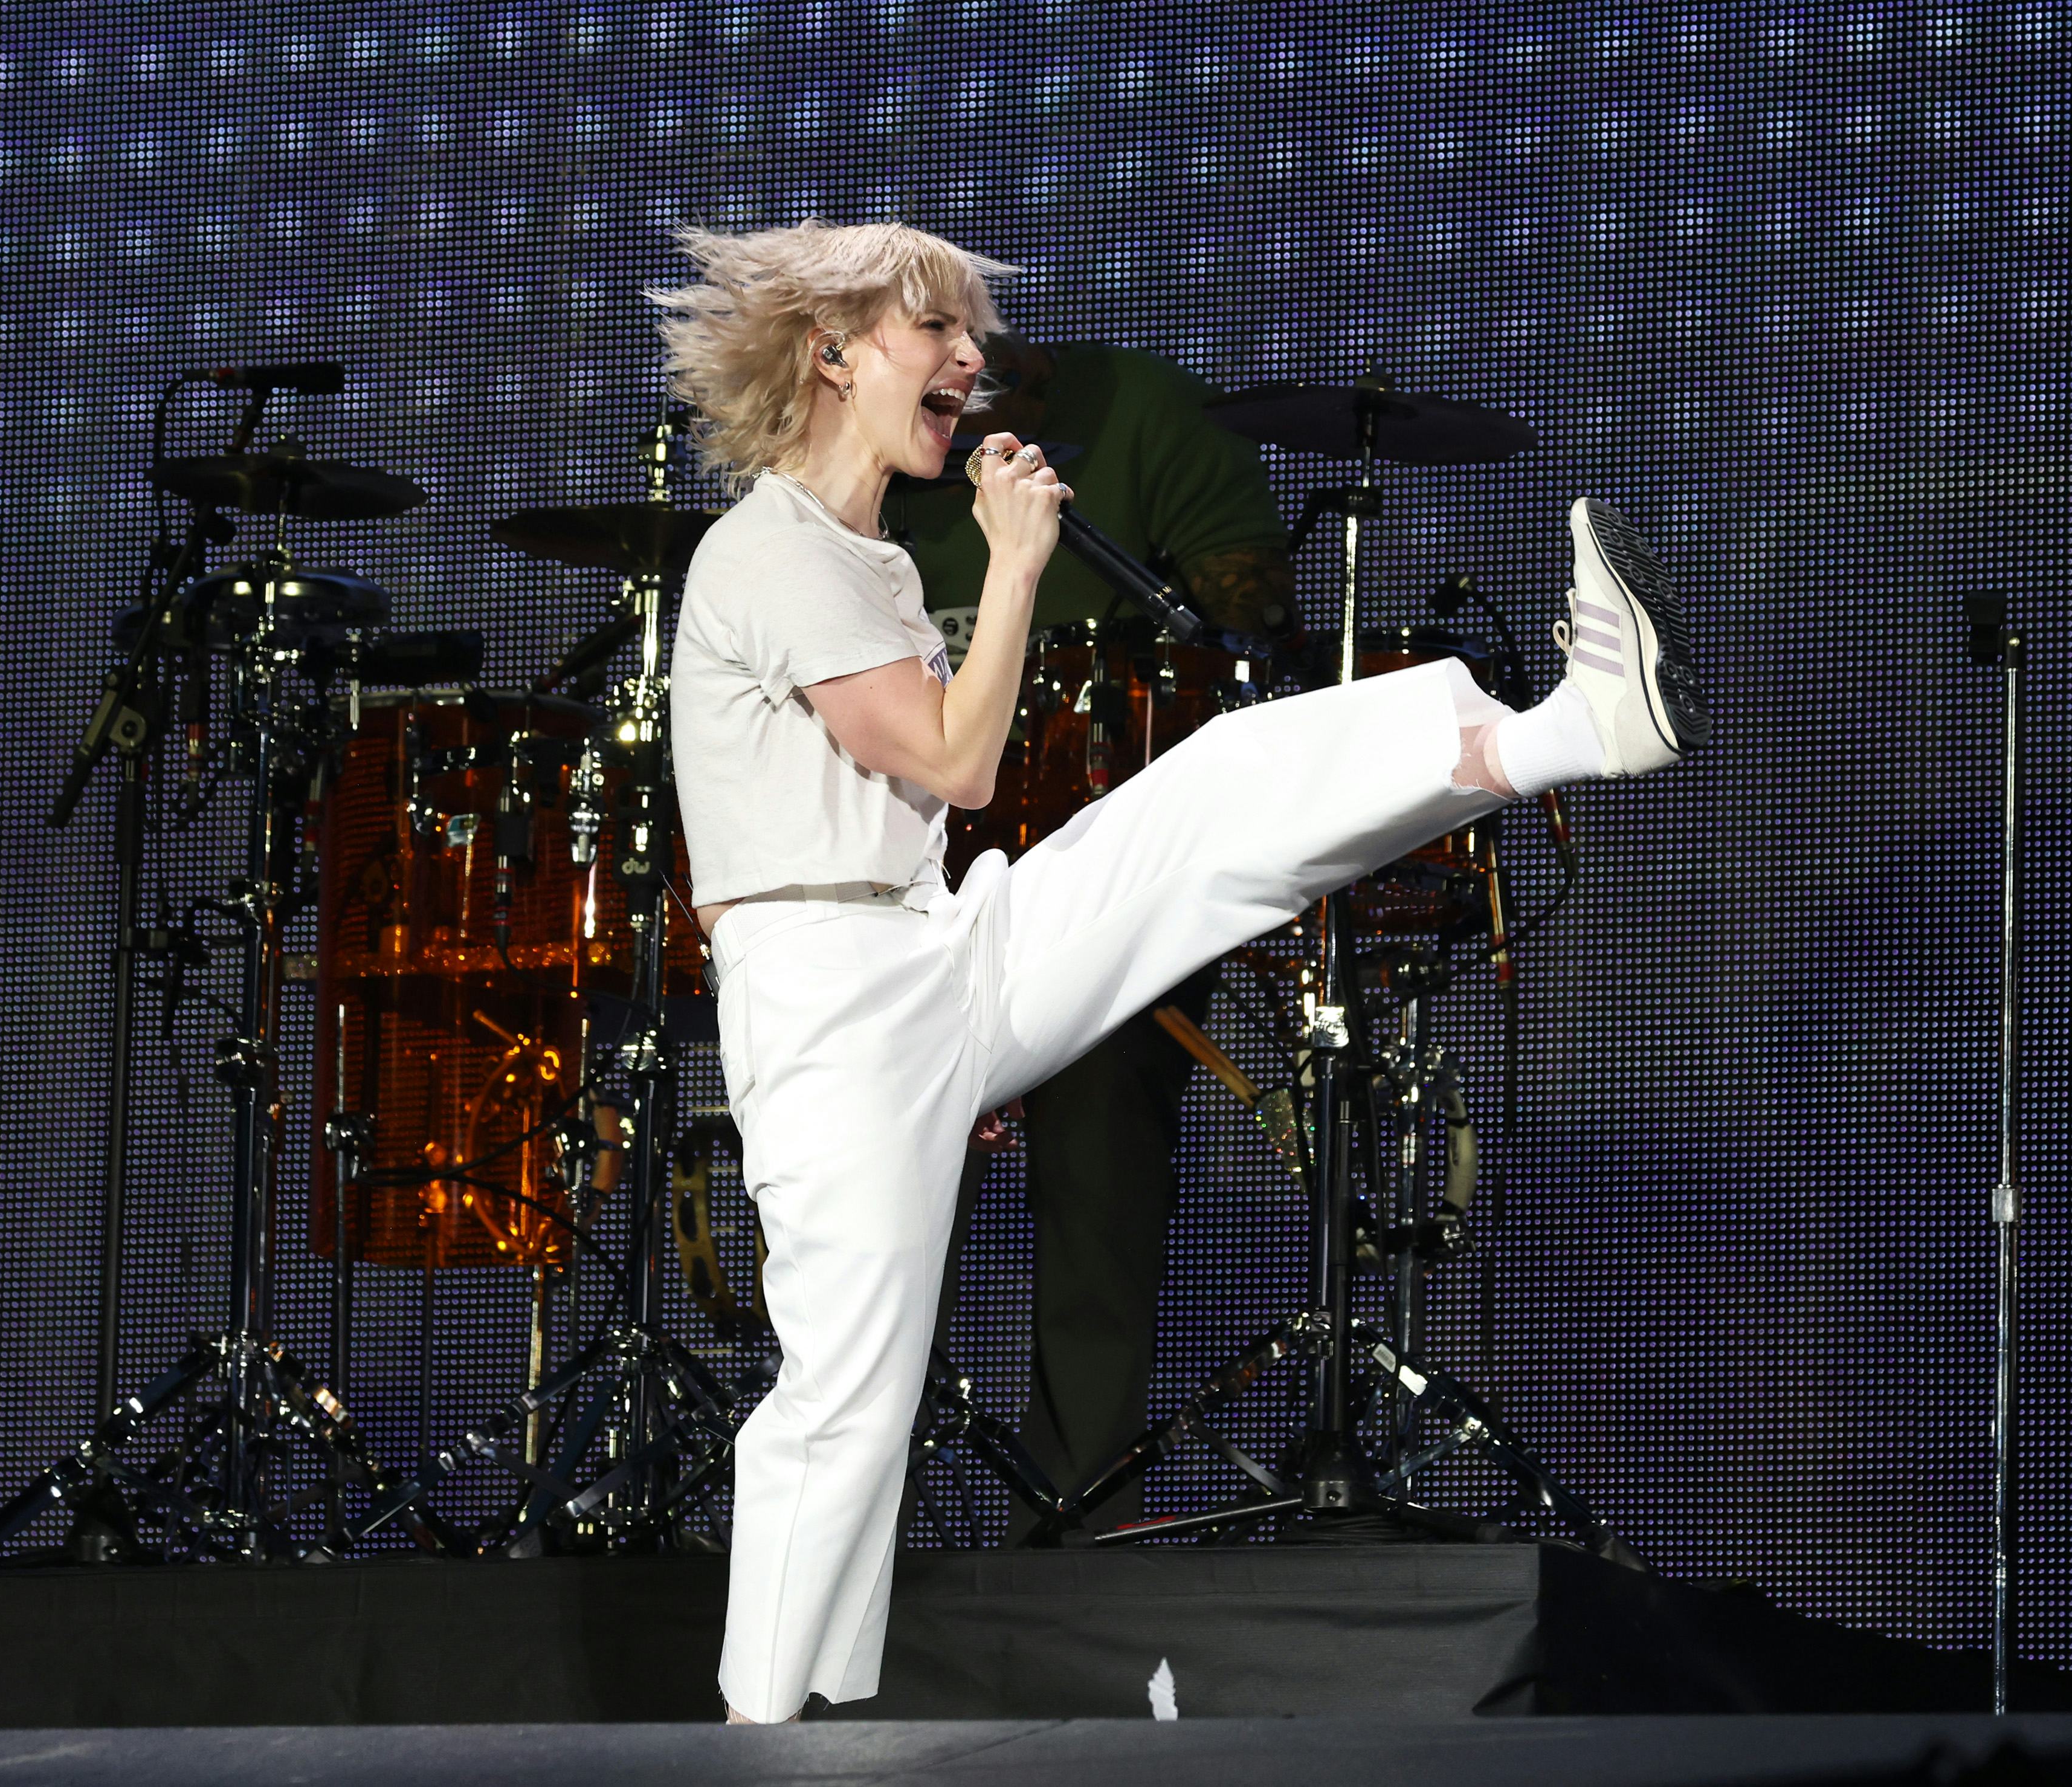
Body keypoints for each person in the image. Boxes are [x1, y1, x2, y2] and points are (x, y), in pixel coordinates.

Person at [655, 219, 1709, 1725]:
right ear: (829, 354)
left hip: (924, 940)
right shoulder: (770, 548)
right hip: (826, 991)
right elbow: (954, 761)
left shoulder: (868, 559)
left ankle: (1558, 733)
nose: (969, 358)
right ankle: (760, 1737)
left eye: (970, 331)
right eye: (932, 331)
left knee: (1209, 793)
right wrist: (1015, 564)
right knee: (845, 1398)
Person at [891, 335, 1297, 1537]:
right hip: (902, 877)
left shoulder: (1148, 411)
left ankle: (1070, 1530)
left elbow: (1249, 625)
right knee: (877, 1206)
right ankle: (856, 1521)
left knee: (1099, 1181)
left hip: (1107, 874)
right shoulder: (866, 441)